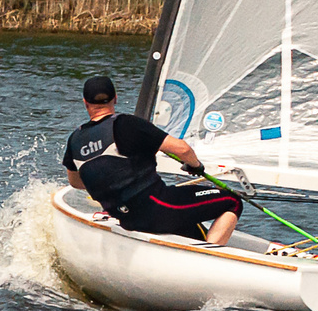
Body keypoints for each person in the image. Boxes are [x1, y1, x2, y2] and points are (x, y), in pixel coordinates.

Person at [63, 74, 239, 245]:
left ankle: (197, 247)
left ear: (85, 102)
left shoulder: (75, 139)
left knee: (190, 225)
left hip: (127, 219)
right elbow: (183, 149)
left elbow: (76, 182)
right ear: (115, 98)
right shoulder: (127, 123)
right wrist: (196, 166)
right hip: (157, 208)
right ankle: (207, 257)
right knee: (233, 201)